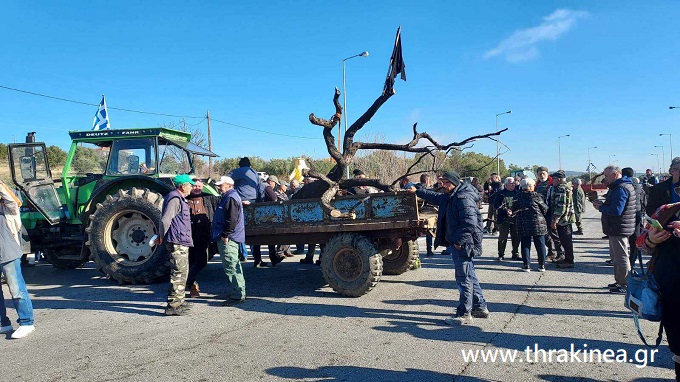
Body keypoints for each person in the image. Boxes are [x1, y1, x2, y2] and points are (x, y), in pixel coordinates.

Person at [410, 171, 487, 325]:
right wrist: (417, 191)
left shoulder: (462, 198)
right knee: (469, 275)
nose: (442, 185)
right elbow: (436, 197)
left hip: (464, 243)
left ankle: (464, 314)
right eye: (441, 182)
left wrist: (458, 241)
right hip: (462, 242)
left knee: (463, 278)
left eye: (445, 183)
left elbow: (470, 223)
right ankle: (480, 307)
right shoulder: (452, 195)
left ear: (453, 182)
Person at [637, 203, 680, 380]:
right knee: (677, 344)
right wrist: (651, 240)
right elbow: (641, 244)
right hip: (669, 291)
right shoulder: (666, 210)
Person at [592, 165, 636, 294]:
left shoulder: (621, 188)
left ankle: (625, 284)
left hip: (619, 227)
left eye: (606, 175)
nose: (605, 178)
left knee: (621, 257)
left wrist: (600, 208)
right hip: (617, 227)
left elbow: (617, 210)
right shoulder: (620, 187)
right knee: (617, 257)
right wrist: (603, 204)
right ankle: (620, 281)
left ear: (615, 174)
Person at [0, 180, 35, 339]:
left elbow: (13, 200)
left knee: (16, 289)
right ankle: (4, 323)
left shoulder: (8, 208)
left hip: (8, 254)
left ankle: (27, 323)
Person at [157, 174, 195, 316]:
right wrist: (161, 236)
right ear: (182, 186)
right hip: (176, 241)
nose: (191, 187)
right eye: (189, 184)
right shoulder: (174, 198)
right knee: (178, 272)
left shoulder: (180, 198)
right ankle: (172, 305)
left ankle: (179, 301)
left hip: (181, 240)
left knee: (182, 271)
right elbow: (165, 220)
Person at [211, 176, 247, 305]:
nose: (219, 187)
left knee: (231, 266)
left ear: (229, 185)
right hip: (230, 236)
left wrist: (225, 235)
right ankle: (238, 292)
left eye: (221, 185)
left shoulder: (230, 198)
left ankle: (238, 295)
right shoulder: (230, 197)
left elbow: (231, 219)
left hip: (229, 238)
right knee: (233, 264)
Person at [185, 178, 220, 298]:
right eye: (195, 186)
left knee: (202, 260)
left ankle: (187, 281)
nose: (197, 188)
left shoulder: (208, 198)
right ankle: (191, 285)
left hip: (204, 235)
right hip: (188, 236)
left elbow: (224, 201)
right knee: (190, 260)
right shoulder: (184, 199)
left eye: (199, 186)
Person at [512, 178, 548, 272]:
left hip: (523, 223)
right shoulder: (537, 196)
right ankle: (541, 265)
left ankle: (526, 265)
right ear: (531, 186)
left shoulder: (517, 197)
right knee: (540, 245)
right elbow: (544, 209)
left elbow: (513, 209)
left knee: (525, 245)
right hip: (538, 223)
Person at [549, 171, 576, 269]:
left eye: (554, 179)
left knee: (566, 241)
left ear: (559, 179)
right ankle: (567, 259)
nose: (553, 181)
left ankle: (569, 261)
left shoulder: (561, 188)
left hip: (563, 220)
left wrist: (554, 220)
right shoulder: (565, 187)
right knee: (565, 240)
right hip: (566, 219)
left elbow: (561, 206)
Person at [535, 166, 562, 261]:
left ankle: (560, 253)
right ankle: (551, 252)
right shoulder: (537, 185)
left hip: (550, 213)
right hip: (540, 213)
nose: (542, 175)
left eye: (543, 173)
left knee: (554, 234)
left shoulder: (551, 184)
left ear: (547, 173)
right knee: (545, 234)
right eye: (540, 174)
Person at [494, 177, 520, 261]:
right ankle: (501, 254)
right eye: (511, 183)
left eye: (514, 183)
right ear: (506, 185)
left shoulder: (518, 193)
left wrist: (515, 211)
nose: (513, 185)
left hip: (515, 218)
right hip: (504, 218)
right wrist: (505, 210)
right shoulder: (500, 194)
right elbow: (496, 206)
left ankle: (515, 253)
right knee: (503, 237)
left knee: (516, 237)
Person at [622, 167, 643, 266]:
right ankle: (635, 257)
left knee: (626, 237)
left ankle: (628, 260)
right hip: (638, 212)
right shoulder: (638, 186)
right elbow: (644, 200)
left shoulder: (626, 186)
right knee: (636, 237)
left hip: (629, 213)